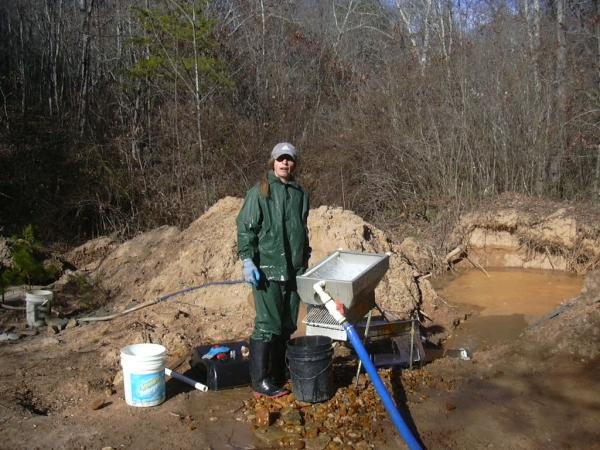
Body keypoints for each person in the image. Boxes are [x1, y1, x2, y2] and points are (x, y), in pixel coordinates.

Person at [236, 142, 311, 398]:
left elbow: (302, 230)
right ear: (273, 162)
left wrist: (304, 262)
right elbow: (246, 228)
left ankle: (279, 373)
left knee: (287, 324)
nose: (285, 163)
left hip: (294, 271)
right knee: (268, 325)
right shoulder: (260, 192)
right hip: (267, 269)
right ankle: (260, 381)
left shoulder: (300, 193)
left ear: (294, 163)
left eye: (289, 159)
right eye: (281, 159)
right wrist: (248, 260)